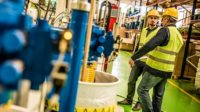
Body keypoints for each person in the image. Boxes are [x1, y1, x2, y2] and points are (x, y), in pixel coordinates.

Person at [130, 8, 183, 112]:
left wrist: (134, 57)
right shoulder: (178, 35)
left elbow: (150, 45)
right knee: (158, 95)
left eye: (163, 18)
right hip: (167, 70)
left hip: (156, 68)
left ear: (167, 19)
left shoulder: (165, 31)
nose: (161, 21)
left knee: (142, 90)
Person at [118, 9, 161, 111]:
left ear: (158, 20)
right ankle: (129, 99)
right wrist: (134, 57)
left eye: (155, 18)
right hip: (138, 60)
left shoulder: (159, 32)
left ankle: (139, 103)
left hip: (149, 62)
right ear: (148, 19)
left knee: (143, 86)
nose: (153, 20)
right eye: (151, 18)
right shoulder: (144, 30)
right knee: (131, 80)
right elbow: (138, 46)